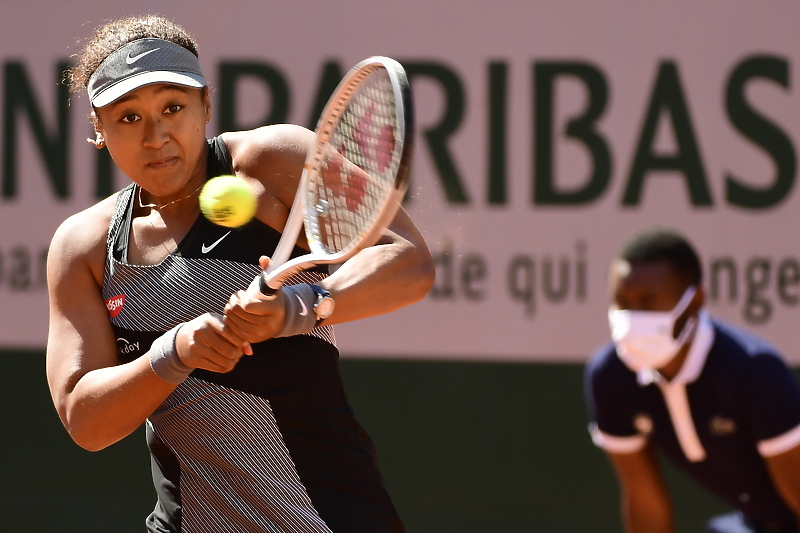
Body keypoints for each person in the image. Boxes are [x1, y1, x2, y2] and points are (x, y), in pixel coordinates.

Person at [45, 14, 434, 533]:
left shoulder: (268, 160)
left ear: (206, 104)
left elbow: (408, 262)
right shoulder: (85, 246)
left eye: (173, 108)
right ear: (99, 130)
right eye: (129, 118)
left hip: (331, 516)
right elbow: (85, 420)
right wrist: (175, 351)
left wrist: (299, 307)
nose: (156, 136)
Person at [584, 227, 800, 533]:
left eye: (649, 301)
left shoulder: (754, 373)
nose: (633, 319)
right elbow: (647, 506)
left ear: (695, 301)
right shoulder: (609, 377)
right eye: (622, 302)